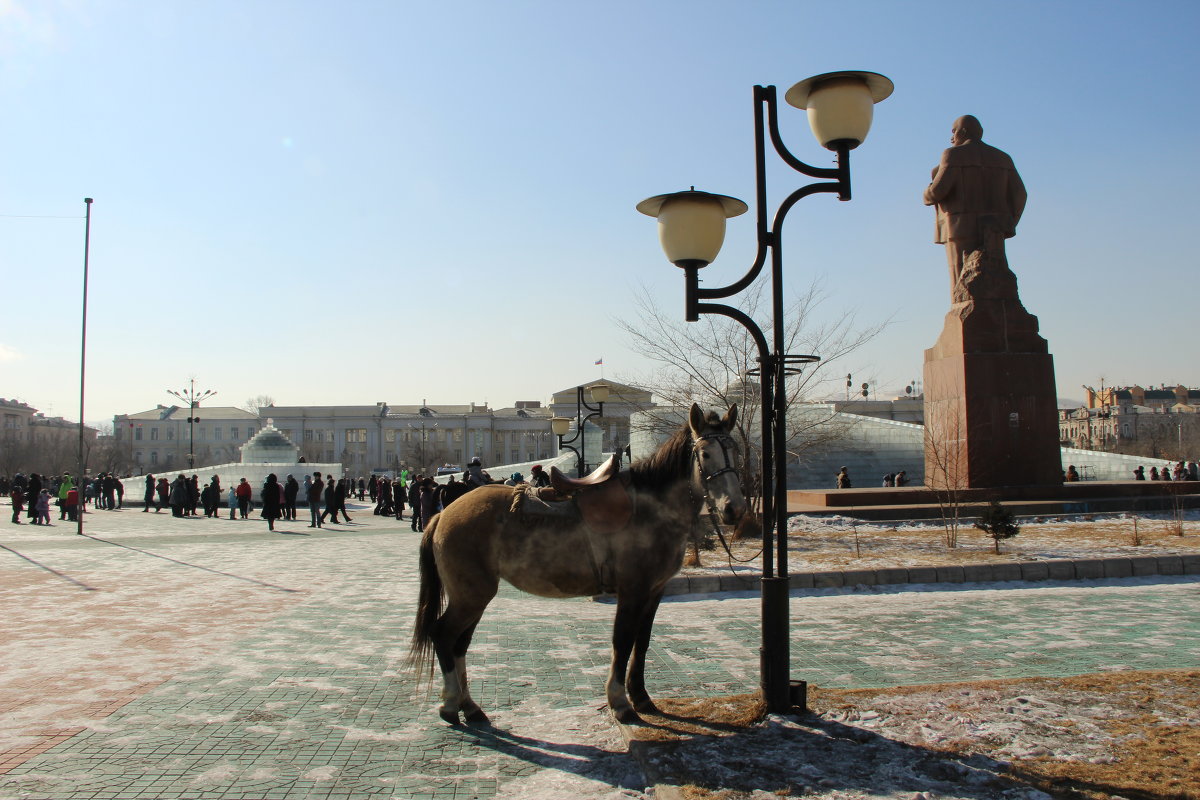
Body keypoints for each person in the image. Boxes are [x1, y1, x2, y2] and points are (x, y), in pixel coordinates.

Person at [924, 115, 1027, 301]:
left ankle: (965, 316)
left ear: (963, 132)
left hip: (959, 227)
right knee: (995, 276)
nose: (951, 138)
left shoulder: (953, 155)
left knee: (961, 285)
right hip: (994, 227)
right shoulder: (1003, 158)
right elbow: (1020, 194)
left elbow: (938, 191)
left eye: (953, 132)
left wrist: (926, 192)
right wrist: (1009, 223)